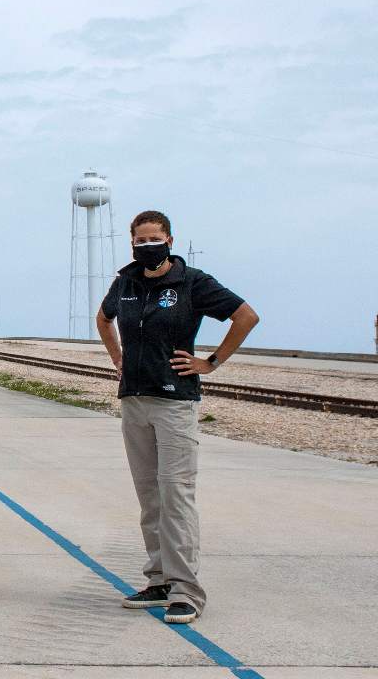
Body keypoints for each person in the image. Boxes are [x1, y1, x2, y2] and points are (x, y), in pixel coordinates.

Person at [97, 210, 259, 625]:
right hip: (134, 401)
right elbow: (104, 318)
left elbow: (246, 316)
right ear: (131, 243)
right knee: (150, 498)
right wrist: (118, 357)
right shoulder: (127, 281)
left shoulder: (193, 282)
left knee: (176, 497)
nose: (147, 247)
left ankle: (186, 590)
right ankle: (160, 580)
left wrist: (212, 362)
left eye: (155, 239)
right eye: (140, 241)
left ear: (169, 241)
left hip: (174, 403)